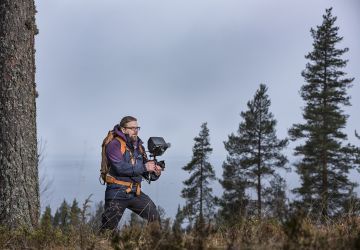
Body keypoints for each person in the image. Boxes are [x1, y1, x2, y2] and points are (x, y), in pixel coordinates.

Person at [101, 115, 162, 231]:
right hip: (116, 192)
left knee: (154, 216)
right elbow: (120, 168)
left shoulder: (139, 147)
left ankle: (154, 244)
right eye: (132, 128)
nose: (135, 131)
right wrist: (145, 167)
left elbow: (145, 173)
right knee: (108, 230)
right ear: (123, 129)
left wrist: (155, 173)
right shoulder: (114, 145)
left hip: (135, 192)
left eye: (137, 128)